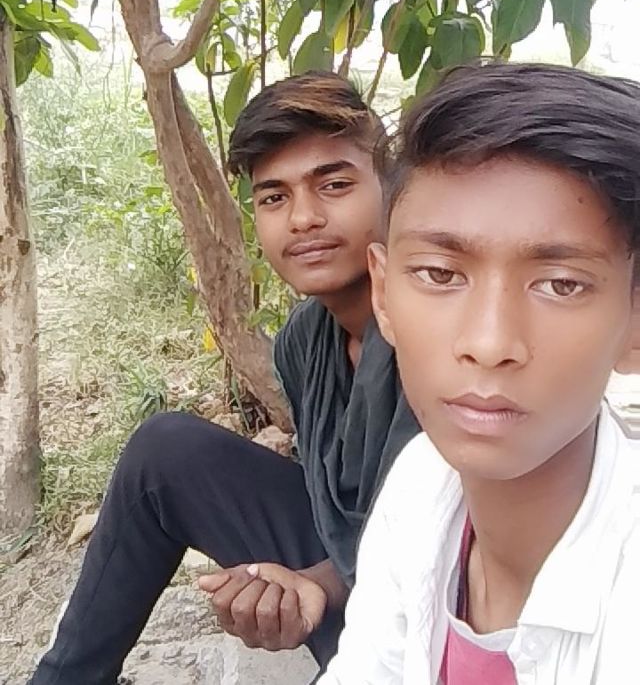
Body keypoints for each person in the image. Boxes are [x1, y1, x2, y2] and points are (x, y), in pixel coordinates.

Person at [30, 71, 419, 685]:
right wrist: (295, 582)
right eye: (274, 198)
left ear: (393, 192)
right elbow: (330, 501)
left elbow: (457, 539)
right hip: (352, 564)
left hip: (433, 613)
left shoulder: (436, 333)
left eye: (335, 185)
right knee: (166, 451)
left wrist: (317, 584)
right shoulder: (304, 340)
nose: (303, 218)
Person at [318, 62, 640, 685]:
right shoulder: (420, 488)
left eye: (561, 284)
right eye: (440, 274)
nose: (489, 344)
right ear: (383, 294)